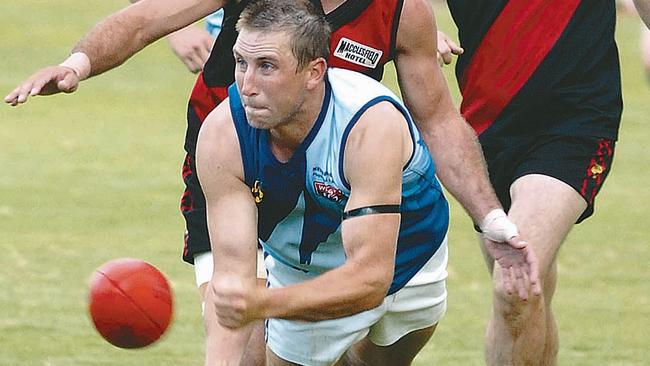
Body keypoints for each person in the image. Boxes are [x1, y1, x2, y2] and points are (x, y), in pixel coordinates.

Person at [4, 0, 539, 363]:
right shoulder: (226, 130)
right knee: (236, 338)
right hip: (227, 167)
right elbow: (148, 17)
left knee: (375, 344)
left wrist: (490, 216)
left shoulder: (400, 11)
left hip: (329, 189)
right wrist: (78, 62)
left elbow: (439, 120)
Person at [196, 2, 447, 364]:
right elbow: (234, 280)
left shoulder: (369, 124)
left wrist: (264, 304)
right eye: (240, 63)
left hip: (411, 247)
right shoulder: (223, 136)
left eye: (266, 66)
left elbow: (370, 279)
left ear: (314, 72)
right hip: (304, 264)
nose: (246, 85)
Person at [436, 0, 650, 364]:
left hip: (577, 121)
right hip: (485, 130)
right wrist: (415, 29)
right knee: (530, 296)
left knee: (514, 287)